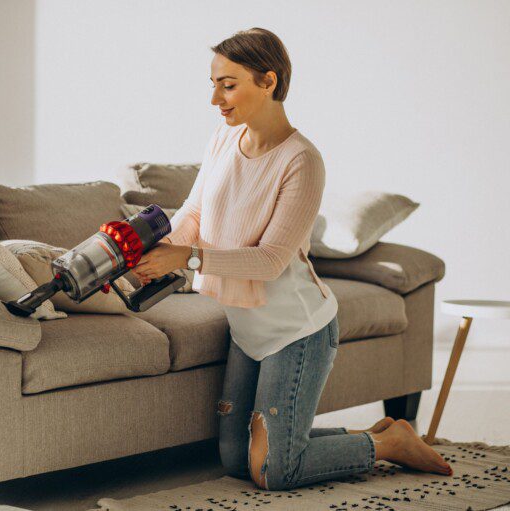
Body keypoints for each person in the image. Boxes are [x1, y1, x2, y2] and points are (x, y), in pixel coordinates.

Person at [131, 27, 453, 491]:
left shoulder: (302, 160)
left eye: (228, 84)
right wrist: (155, 248)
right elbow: (195, 212)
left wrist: (189, 259)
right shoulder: (223, 141)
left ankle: (389, 445)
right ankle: (374, 434)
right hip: (248, 331)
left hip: (297, 332)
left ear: (268, 81)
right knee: (235, 459)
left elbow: (270, 262)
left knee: (276, 470)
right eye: (213, 83)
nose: (215, 98)